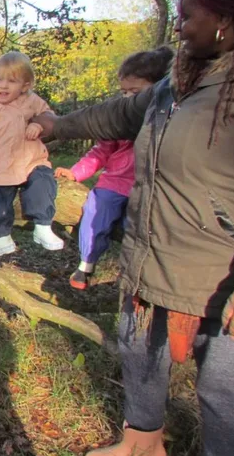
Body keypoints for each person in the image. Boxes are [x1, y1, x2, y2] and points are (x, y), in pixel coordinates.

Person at [31, 0, 234, 456]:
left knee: (222, 382)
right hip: (151, 256)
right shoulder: (175, 85)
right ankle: (143, 441)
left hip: (220, 276)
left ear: (225, 19)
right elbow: (118, 118)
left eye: (189, 14)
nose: (179, 24)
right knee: (139, 348)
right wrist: (55, 125)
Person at [54, 46, 174, 290]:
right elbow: (100, 152)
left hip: (149, 186)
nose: (128, 98)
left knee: (140, 229)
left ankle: (136, 272)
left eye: (135, 92)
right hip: (114, 182)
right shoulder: (120, 121)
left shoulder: (166, 119)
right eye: (124, 92)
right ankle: (86, 263)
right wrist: (76, 172)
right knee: (95, 213)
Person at [0, 51, 65, 259]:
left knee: (43, 181)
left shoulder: (31, 100)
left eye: (11, 81)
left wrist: (38, 124)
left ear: (25, 86)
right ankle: (1, 238)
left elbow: (50, 117)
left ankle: (43, 225)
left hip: (30, 161)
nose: (3, 85)